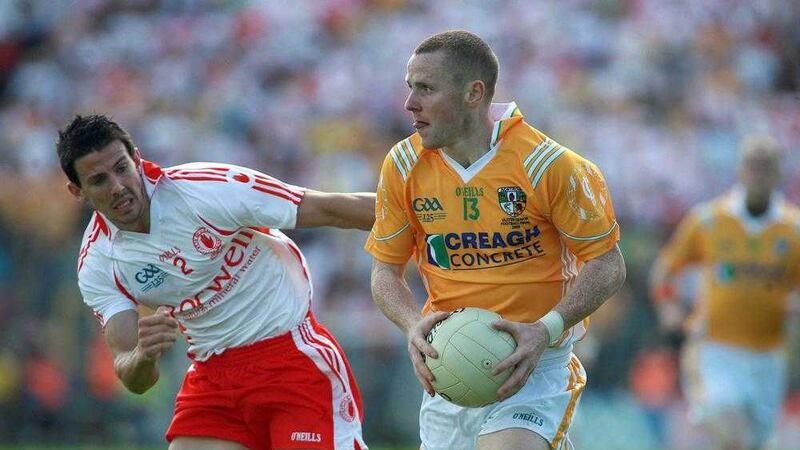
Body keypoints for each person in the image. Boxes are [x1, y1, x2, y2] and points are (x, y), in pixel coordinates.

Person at [364, 30, 626, 450]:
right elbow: (385, 273)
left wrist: (545, 330)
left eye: (426, 89)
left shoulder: (548, 166)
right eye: (410, 88)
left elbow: (608, 264)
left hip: (534, 362)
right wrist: (412, 325)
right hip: (449, 366)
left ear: (474, 93)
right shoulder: (403, 165)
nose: (410, 104)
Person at [57, 114, 372, 450]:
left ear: (136, 158)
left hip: (292, 358)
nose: (118, 186)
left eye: (122, 168)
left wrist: (427, 220)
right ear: (78, 191)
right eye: (99, 180)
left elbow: (331, 209)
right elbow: (134, 376)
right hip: (213, 376)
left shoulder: (206, 189)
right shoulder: (97, 262)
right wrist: (144, 355)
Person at [650, 136, 800, 450]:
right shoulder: (708, 220)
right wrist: (668, 305)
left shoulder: (793, 229)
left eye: (765, 167)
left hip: (768, 356)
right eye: (752, 166)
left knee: (755, 443)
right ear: (740, 170)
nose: (758, 174)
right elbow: (665, 271)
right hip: (714, 351)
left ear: (777, 174)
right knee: (730, 432)